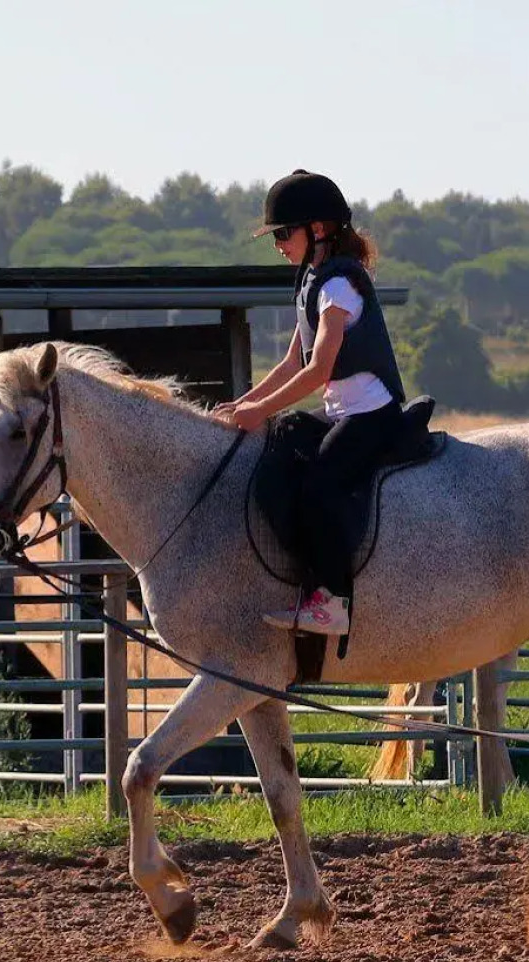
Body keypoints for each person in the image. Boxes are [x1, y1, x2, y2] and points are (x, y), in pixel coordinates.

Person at [210, 170, 408, 637]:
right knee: (282, 444)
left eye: (283, 233)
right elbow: (288, 365)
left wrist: (258, 413)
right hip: (342, 411)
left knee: (319, 487)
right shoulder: (312, 279)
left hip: (370, 415)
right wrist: (243, 403)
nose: (278, 243)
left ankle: (333, 602)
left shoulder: (339, 288)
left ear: (318, 230)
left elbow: (317, 371)